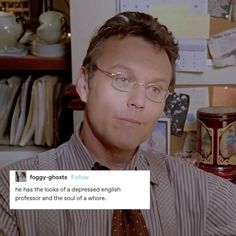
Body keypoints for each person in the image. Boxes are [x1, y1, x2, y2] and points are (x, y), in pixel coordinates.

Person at [0, 11, 236, 236]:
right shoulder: (17, 190)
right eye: (123, 79)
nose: (139, 101)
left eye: (155, 88)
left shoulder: (194, 189)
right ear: (84, 84)